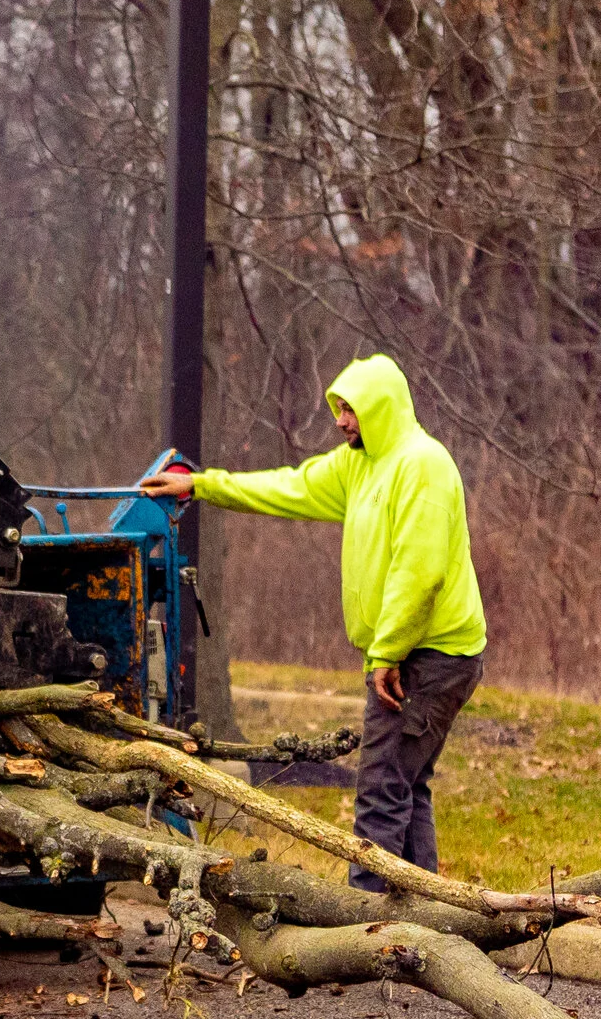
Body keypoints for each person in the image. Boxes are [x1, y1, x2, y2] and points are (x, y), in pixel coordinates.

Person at [140, 353, 488, 894]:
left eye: (350, 410)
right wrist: (201, 486)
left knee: (379, 790)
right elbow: (290, 488)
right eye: (339, 409)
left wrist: (386, 653)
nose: (341, 421)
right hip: (413, 652)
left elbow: (421, 573)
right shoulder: (360, 463)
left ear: (381, 408)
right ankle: (425, 914)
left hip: (431, 656)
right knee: (404, 784)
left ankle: (362, 922)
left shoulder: (424, 465)